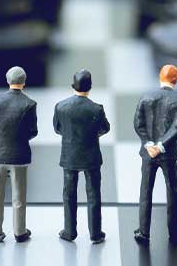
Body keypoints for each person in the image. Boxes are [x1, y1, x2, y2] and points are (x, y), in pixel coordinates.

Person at [132, 64, 177, 244]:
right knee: (173, 190)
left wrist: (149, 144)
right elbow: (176, 129)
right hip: (168, 154)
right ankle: (174, 229)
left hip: (148, 153)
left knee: (145, 191)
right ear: (176, 79)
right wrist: (161, 145)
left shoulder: (146, 96)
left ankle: (144, 231)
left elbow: (138, 123)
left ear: (160, 76)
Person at [53, 69, 111, 243]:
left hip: (69, 156)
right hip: (91, 156)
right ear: (90, 87)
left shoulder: (61, 106)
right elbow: (105, 128)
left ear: (73, 86)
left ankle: (70, 232)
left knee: (69, 195)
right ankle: (96, 233)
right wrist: (91, 136)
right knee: (94, 195)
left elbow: (57, 128)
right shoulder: (96, 108)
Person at [0, 66, 38, 243]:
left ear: (7, 81)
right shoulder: (30, 104)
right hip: (19, 156)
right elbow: (33, 132)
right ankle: (20, 232)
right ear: (24, 82)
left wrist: (0, 137)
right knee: (19, 196)